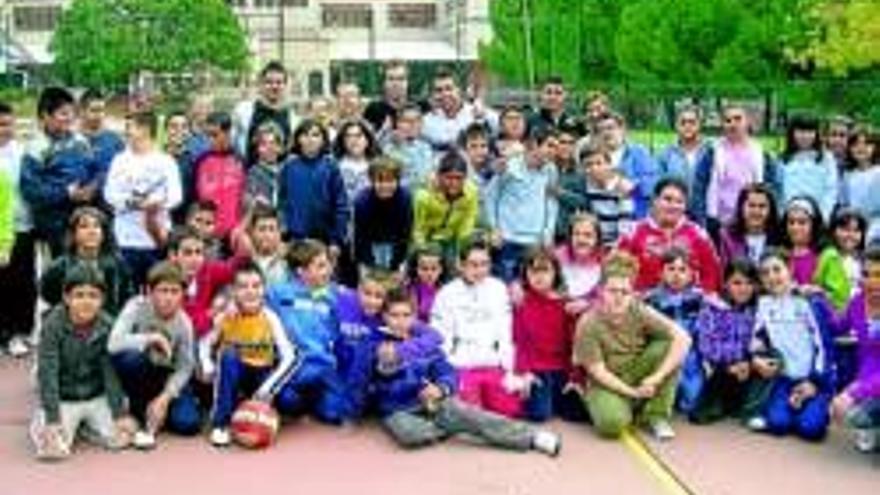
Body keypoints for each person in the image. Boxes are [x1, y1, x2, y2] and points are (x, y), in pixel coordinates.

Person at [370, 289, 562, 456]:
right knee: (410, 434)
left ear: (414, 317)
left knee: (473, 415)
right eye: (394, 315)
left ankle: (532, 437)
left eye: (406, 315)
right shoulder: (379, 344)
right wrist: (390, 368)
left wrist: (441, 388)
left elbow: (447, 371)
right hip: (399, 410)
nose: (400, 321)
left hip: (431, 403)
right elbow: (382, 388)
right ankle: (454, 426)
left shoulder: (425, 342)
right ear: (384, 316)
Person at [573, 251, 691, 440]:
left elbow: (683, 338)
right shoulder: (588, 322)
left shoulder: (638, 309)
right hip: (606, 382)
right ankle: (628, 405)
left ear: (632, 293)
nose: (619, 297)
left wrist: (656, 377)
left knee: (669, 344)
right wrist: (632, 393)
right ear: (602, 290)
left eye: (625, 292)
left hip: (637, 371)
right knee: (611, 425)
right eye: (612, 291)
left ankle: (655, 415)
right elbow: (598, 371)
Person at [31, 264, 134, 461]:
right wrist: (52, 419)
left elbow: (109, 372)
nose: (86, 302)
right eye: (79, 295)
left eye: (93, 296)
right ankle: (46, 420)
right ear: (66, 298)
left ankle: (86, 426)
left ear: (102, 299)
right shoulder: (53, 324)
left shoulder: (107, 325)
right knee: (55, 448)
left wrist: (119, 413)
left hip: (94, 394)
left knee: (123, 435)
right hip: (63, 394)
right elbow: (48, 371)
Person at [200, 262, 297, 446]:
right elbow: (205, 343)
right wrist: (207, 364)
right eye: (243, 287)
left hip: (261, 374)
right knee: (228, 354)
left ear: (264, 289)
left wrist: (268, 388)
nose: (250, 291)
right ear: (233, 291)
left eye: (256, 286)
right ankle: (220, 424)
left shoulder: (270, 317)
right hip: (234, 375)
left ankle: (259, 411)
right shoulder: (226, 316)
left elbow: (290, 356)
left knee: (290, 400)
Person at [108, 262, 201, 448]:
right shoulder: (136, 306)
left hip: (165, 376)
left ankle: (156, 410)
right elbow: (113, 344)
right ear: (150, 292)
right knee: (131, 359)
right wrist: (151, 338)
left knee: (188, 424)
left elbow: (184, 367)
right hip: (140, 371)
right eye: (162, 291)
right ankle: (137, 409)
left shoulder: (184, 323)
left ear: (183, 295)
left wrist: (165, 398)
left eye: (174, 291)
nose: (168, 298)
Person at [430, 240, 524, 418]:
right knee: (470, 414)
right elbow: (440, 337)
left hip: (492, 363)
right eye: (473, 264)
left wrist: (509, 371)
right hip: (461, 364)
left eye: (484, 264)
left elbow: (505, 334)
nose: (479, 270)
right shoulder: (447, 293)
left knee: (509, 410)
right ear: (461, 264)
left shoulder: (498, 288)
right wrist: (447, 371)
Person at [748, 249, 834, 441]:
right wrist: (756, 359)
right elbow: (757, 340)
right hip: (784, 380)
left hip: (813, 381)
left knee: (810, 429)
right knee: (779, 425)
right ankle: (785, 411)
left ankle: (821, 407)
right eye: (765, 272)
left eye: (777, 269)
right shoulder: (764, 304)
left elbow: (824, 347)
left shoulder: (807, 301)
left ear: (790, 269)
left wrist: (814, 382)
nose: (772, 277)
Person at [267, 240, 351, 424]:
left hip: (324, 368)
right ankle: (303, 401)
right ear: (301, 271)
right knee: (288, 403)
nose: (328, 270)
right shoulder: (279, 293)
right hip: (294, 370)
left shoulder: (335, 295)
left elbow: (363, 301)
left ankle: (319, 400)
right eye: (320, 266)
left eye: (327, 264)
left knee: (336, 413)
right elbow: (255, 300)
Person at [103, 111, 182, 289]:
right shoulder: (119, 160)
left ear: (145, 129)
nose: (127, 131)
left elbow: (176, 197)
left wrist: (156, 204)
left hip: (156, 239)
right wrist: (132, 203)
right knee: (126, 291)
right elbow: (109, 194)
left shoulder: (166, 161)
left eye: (132, 127)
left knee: (155, 291)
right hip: (125, 239)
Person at [20, 87, 100, 256]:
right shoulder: (36, 149)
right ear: (45, 116)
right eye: (63, 114)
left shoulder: (80, 141)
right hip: (53, 227)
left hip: (83, 220)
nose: (69, 118)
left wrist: (92, 187)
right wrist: (66, 193)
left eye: (71, 113)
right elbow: (31, 192)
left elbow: (95, 171)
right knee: (63, 274)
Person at [513, 247, 586, 422]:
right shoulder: (521, 303)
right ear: (525, 274)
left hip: (561, 369)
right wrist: (524, 372)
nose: (539, 276)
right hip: (536, 369)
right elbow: (518, 342)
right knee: (539, 414)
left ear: (556, 273)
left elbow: (574, 344)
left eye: (545, 270)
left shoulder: (566, 305)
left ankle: (556, 398)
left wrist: (575, 377)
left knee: (577, 414)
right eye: (533, 271)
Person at [617, 178, 722, 293]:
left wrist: (700, 299)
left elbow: (712, 275)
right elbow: (617, 272)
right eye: (667, 199)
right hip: (643, 304)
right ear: (655, 201)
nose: (673, 206)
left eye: (679, 201)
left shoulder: (698, 234)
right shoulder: (633, 233)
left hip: (691, 306)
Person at [692, 103, 781, 236]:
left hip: (752, 221)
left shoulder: (762, 154)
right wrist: (702, 221)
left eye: (737, 119)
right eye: (728, 121)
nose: (733, 124)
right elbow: (699, 187)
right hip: (718, 223)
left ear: (747, 122)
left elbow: (772, 189)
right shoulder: (712, 153)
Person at [692, 259, 762, 424]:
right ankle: (720, 403)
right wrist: (731, 364)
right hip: (719, 368)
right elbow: (706, 345)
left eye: (749, 283)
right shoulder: (712, 308)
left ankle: (743, 404)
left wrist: (747, 362)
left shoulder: (755, 310)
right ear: (725, 284)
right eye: (737, 283)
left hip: (747, 368)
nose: (743, 289)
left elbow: (759, 341)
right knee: (699, 414)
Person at [485, 128, 559, 282]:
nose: (554, 151)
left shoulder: (551, 169)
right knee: (506, 287)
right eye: (550, 145)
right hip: (507, 240)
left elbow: (551, 203)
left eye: (556, 147)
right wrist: (494, 229)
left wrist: (548, 233)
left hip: (535, 242)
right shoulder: (509, 166)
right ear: (533, 145)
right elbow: (491, 198)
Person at [645, 247, 709, 415]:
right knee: (662, 396)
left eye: (682, 269)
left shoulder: (700, 298)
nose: (676, 274)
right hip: (663, 353)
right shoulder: (652, 298)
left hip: (691, 359)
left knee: (693, 403)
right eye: (671, 269)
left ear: (691, 274)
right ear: (661, 273)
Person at [40, 207, 135, 317]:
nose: (92, 231)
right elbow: (48, 294)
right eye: (84, 226)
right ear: (73, 233)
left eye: (96, 226)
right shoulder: (59, 267)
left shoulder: (118, 265)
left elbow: (126, 298)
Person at [830, 246, 880, 453]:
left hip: (872, 381)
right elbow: (837, 326)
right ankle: (874, 427)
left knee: (852, 403)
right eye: (866, 274)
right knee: (853, 413)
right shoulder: (858, 302)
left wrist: (855, 391)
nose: (871, 281)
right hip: (869, 377)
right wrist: (818, 299)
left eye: (878, 274)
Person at [278, 119, 350, 259]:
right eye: (305, 135)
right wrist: (283, 233)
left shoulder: (331, 167)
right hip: (295, 239)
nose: (310, 139)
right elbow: (282, 203)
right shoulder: (289, 167)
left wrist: (336, 240)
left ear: (323, 140)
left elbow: (341, 206)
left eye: (315, 135)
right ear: (298, 139)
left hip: (324, 239)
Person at [0, 100, 35, 357]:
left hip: (22, 227)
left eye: (8, 124)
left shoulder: (23, 153)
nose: (5, 129)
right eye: (1, 124)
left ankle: (18, 332)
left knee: (21, 281)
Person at [412, 151, 479, 268]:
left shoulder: (471, 192)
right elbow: (417, 228)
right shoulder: (423, 196)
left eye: (459, 178)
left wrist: (461, 254)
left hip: (450, 240)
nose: (454, 183)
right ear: (439, 176)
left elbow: (467, 225)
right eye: (449, 177)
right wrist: (424, 253)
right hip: (426, 240)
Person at [193, 112, 246, 248]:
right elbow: (195, 198)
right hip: (205, 235)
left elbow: (245, 199)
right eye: (208, 135)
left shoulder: (240, 160)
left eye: (215, 134)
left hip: (234, 234)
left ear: (227, 133)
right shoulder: (201, 160)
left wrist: (241, 227)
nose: (210, 139)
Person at [353, 156, 413, 273]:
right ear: (372, 181)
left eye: (390, 181)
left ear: (398, 180)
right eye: (380, 181)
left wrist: (397, 264)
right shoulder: (362, 201)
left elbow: (405, 234)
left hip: (395, 244)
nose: (385, 186)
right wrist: (368, 264)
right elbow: (361, 237)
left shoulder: (405, 198)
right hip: (371, 244)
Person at [232, 61, 299, 165]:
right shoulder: (244, 111)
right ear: (261, 85)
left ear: (285, 86)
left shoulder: (293, 119)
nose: (274, 86)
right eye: (269, 82)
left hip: (280, 178)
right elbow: (233, 144)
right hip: (249, 176)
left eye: (279, 82)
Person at [593, 112, 658, 219]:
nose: (606, 133)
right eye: (601, 130)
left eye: (610, 128)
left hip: (634, 218)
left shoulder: (639, 152)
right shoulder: (595, 157)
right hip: (604, 221)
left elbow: (654, 183)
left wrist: (633, 186)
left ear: (622, 129)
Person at [779, 114, 839, 222]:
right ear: (792, 133)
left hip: (817, 217)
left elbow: (831, 189)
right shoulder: (783, 160)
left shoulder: (826, 159)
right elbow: (780, 191)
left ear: (816, 134)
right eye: (800, 131)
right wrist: (784, 214)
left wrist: (823, 215)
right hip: (790, 218)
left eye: (810, 131)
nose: (805, 136)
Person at [422, 68, 498, 151]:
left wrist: (485, 114)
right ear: (434, 94)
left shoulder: (476, 112)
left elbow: (502, 128)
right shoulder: (427, 121)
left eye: (449, 88)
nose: (445, 94)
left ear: (459, 90)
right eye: (439, 90)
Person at [580, 143, 635, 247]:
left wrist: (615, 247)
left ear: (608, 164)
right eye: (588, 165)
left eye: (599, 163)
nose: (594, 168)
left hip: (617, 244)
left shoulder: (620, 188)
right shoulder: (585, 186)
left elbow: (626, 226)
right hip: (593, 243)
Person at [718, 184, 782, 267]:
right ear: (741, 207)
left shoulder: (779, 236)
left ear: (770, 210)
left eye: (762, 206)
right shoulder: (727, 236)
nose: (756, 211)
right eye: (751, 205)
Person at [656, 105, 711, 201]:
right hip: (675, 209)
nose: (687, 126)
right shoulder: (666, 154)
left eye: (692, 122)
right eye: (683, 122)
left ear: (699, 125)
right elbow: (659, 186)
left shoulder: (710, 151)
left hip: (704, 211)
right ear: (676, 125)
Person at [840, 126, 880, 243]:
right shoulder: (847, 175)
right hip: (852, 226)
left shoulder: (878, 172)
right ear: (850, 148)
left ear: (875, 147)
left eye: (867, 144)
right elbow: (844, 203)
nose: (861, 148)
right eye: (856, 144)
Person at [381, 103, 434, 191]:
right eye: (407, 121)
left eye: (417, 120)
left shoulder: (427, 147)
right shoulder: (388, 149)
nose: (413, 124)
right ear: (398, 124)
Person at [78, 88, 125, 186]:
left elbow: (123, 173)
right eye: (94, 110)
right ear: (82, 111)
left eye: (102, 110)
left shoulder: (115, 141)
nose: (99, 115)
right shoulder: (71, 141)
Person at [781, 196, 826, 286]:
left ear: (814, 225)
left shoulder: (823, 256)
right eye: (791, 222)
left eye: (802, 222)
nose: (795, 227)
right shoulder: (780, 254)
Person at [334, 119, 380, 202]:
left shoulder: (379, 165)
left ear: (367, 139)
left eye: (358, 136)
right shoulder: (334, 166)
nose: (353, 140)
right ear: (343, 141)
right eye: (348, 136)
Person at [364, 60, 414, 136]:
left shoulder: (419, 106)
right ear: (384, 83)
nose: (396, 83)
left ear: (408, 82)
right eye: (391, 79)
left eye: (401, 79)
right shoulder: (373, 109)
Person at [243, 123, 285, 211]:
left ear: (280, 148)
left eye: (273, 143)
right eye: (263, 144)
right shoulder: (253, 174)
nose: (269, 148)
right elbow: (249, 203)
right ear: (257, 149)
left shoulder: (286, 171)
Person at [407, 244, 446, 324]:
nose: (429, 273)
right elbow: (412, 317)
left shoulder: (445, 289)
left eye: (434, 269)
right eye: (424, 269)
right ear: (416, 269)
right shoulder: (411, 289)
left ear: (441, 269)